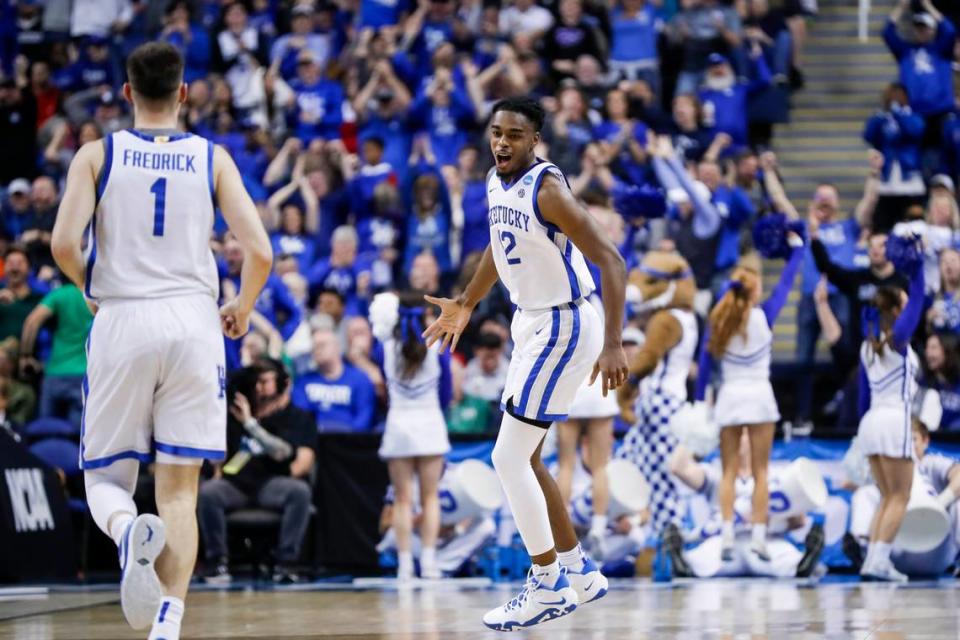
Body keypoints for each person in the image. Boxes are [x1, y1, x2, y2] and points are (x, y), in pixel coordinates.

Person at [50, 43, 272, 640]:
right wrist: (242, 307)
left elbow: (63, 245)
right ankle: (169, 619)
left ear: (126, 93)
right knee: (180, 489)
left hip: (125, 316)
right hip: (194, 323)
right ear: (183, 94)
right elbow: (260, 251)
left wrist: (89, 288)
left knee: (104, 478)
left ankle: (126, 532)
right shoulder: (213, 158)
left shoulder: (97, 154)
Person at [422, 97, 628, 631]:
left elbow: (612, 259)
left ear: (535, 140)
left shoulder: (549, 189)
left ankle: (545, 584)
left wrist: (614, 342)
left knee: (507, 458)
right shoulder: (496, 181)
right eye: (496, 132)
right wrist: (467, 302)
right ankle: (579, 572)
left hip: (564, 322)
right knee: (528, 459)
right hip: (532, 322)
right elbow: (499, 243)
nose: (503, 142)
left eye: (515, 135)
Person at [695, 241, 803, 561]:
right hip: (759, 397)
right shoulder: (766, 314)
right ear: (755, 292)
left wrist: (700, 401)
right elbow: (787, 281)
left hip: (730, 396)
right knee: (761, 472)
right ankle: (758, 537)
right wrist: (796, 250)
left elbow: (704, 364)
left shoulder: (719, 318)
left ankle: (727, 534)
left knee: (727, 471)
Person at [198, 359, 316, 584]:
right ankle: (217, 564)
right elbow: (219, 455)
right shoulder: (235, 413)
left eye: (265, 380)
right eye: (256, 381)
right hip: (237, 485)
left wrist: (251, 424)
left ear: (283, 382)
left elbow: (283, 453)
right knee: (208, 493)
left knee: (299, 491)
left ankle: (286, 564)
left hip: (271, 482)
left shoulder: (297, 418)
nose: (259, 386)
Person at [370, 291, 452, 580]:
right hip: (430, 422)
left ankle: (405, 564)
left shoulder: (385, 348)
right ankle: (428, 562)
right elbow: (446, 394)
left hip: (399, 426)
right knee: (430, 497)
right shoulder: (438, 347)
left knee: (402, 499)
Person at [855, 244, 925, 581]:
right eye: (904, 303)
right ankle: (879, 561)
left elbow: (861, 395)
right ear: (897, 310)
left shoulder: (868, 343)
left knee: (886, 495)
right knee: (901, 495)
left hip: (871, 422)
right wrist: (919, 270)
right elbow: (920, 301)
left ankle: (872, 560)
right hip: (894, 419)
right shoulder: (897, 340)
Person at [848, 411, 960, 577]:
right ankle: (865, 551)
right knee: (864, 493)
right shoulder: (885, 467)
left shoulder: (933, 463)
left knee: (958, 500)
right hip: (897, 550)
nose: (907, 447)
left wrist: (940, 502)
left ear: (925, 441)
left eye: (913, 440)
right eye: (902, 442)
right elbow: (847, 482)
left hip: (937, 548)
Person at [18, 281, 92, 427]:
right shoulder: (95, 295)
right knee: (77, 438)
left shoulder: (61, 294)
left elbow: (31, 322)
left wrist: (25, 356)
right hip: (83, 374)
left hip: (55, 373)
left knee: (45, 432)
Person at [292, 326, 377, 432]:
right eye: (314, 347)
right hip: (314, 440)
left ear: (337, 347)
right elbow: (300, 417)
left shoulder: (360, 379)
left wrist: (350, 438)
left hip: (351, 442)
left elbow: (365, 417)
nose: (317, 350)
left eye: (322, 345)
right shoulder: (303, 382)